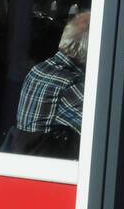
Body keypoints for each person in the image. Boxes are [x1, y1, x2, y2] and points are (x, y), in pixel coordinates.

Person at [9, 11, 90, 159]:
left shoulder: (39, 69)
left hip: (22, 161)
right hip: (49, 168)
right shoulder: (70, 83)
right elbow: (102, 128)